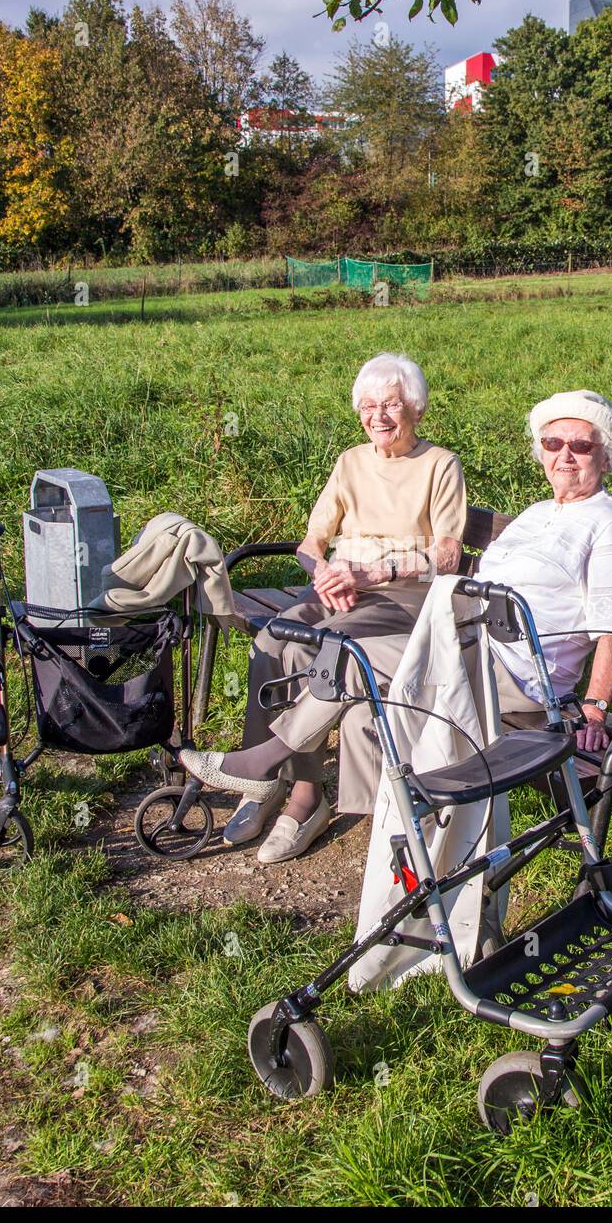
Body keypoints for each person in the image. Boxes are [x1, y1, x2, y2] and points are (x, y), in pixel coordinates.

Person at [180, 352, 467, 862]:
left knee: (317, 650)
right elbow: (311, 542)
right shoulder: (351, 461)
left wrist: (374, 572)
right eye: (368, 406)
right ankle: (273, 787)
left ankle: (299, 795)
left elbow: (448, 555)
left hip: (400, 595)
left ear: (416, 410)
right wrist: (324, 575)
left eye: (392, 404)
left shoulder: (440, 465)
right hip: (337, 586)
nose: (378, 416)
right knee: (274, 640)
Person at [475, 389, 612, 752]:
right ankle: (390, 808)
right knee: (364, 687)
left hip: (518, 673)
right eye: (552, 442)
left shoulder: (610, 520)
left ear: (606, 458)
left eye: (580, 446)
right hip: (473, 645)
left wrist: (595, 709)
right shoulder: (536, 512)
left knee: (358, 662)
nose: (564, 454)